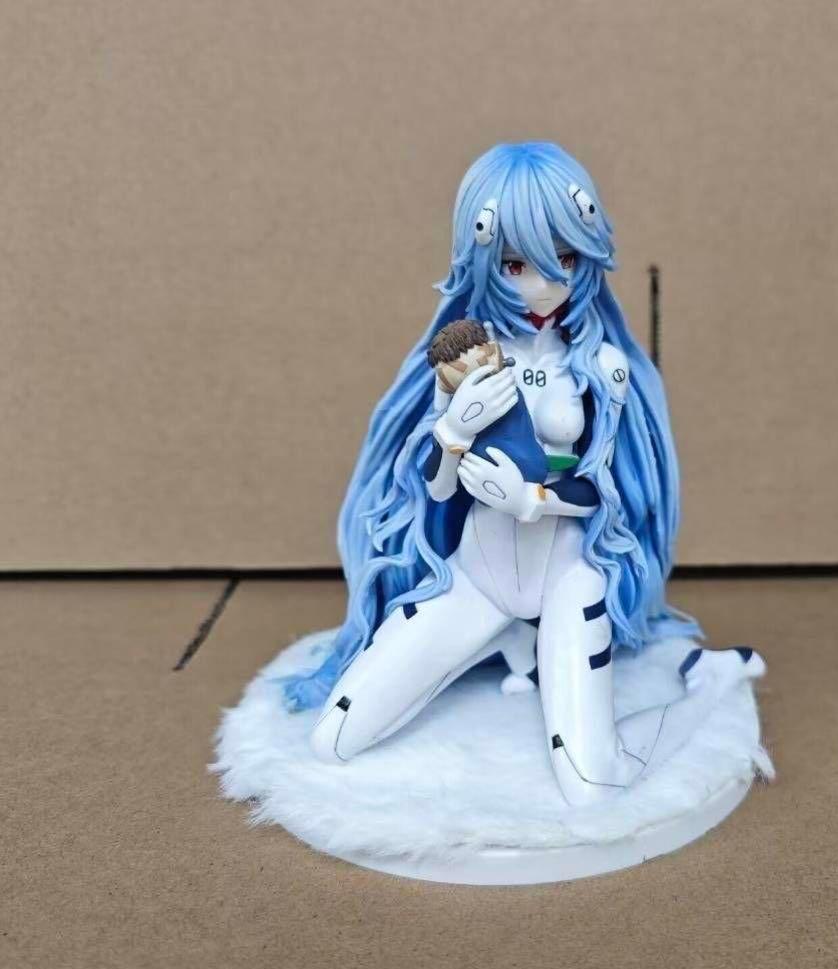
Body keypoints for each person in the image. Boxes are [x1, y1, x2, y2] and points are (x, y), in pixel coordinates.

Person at [283, 142, 702, 805]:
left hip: (566, 573)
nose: (542, 284)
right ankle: (498, 644)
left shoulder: (600, 366)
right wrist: (452, 432)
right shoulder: (468, 355)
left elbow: (609, 493)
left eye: (565, 259)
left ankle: (710, 687)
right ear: (482, 260)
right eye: (515, 264)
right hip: (474, 574)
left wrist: (531, 497)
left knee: (591, 782)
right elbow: (433, 491)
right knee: (334, 736)